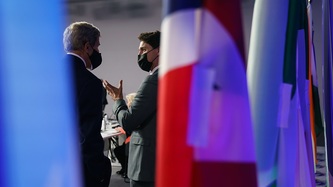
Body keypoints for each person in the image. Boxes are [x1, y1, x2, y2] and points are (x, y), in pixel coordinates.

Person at [103, 30, 160, 187]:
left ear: (159, 50)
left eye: (143, 49)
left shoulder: (153, 81)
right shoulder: (168, 77)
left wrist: (118, 100)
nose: (139, 54)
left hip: (145, 165)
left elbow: (128, 122)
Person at [63, 21, 111, 187]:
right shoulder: (90, 83)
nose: (98, 51)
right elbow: (88, 136)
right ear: (87, 47)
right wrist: (100, 171)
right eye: (97, 46)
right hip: (79, 169)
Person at [114, 93, 136, 182]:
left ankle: (126, 170)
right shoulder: (132, 112)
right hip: (130, 140)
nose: (127, 103)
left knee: (118, 150)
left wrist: (123, 129)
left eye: (128, 101)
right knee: (118, 149)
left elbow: (131, 128)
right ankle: (124, 169)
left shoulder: (133, 114)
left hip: (131, 141)